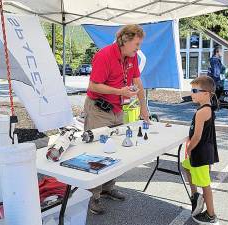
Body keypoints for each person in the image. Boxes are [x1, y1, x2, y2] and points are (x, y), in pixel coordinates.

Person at [83, 24, 150, 215]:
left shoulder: (132, 57)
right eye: (136, 44)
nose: (138, 49)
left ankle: (107, 187)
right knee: (96, 151)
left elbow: (137, 81)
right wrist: (119, 91)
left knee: (115, 149)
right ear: (125, 40)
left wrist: (144, 107)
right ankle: (92, 197)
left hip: (117, 109)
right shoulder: (104, 55)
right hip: (98, 109)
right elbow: (94, 86)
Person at [182, 76, 219, 224]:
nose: (192, 93)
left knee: (205, 184)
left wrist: (189, 148)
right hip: (202, 152)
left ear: (206, 93)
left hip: (200, 153)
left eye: (194, 90)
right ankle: (195, 196)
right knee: (186, 166)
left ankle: (211, 215)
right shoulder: (205, 108)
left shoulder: (202, 111)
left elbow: (197, 137)